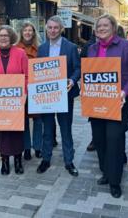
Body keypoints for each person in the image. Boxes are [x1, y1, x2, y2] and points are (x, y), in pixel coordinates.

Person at [87, 14, 128, 198]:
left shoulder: (127, 46)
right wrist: (84, 88)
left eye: (105, 25)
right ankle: (106, 171)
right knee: (99, 139)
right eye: (99, 25)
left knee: (114, 139)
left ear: (113, 27)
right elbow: (90, 74)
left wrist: (124, 92)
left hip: (118, 102)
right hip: (96, 102)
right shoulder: (92, 48)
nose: (102, 28)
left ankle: (115, 180)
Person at [36, 15, 80, 177]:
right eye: (50, 28)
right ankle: (46, 159)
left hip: (65, 95)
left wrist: (72, 80)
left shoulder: (71, 47)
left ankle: (69, 161)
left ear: (61, 29)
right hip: (46, 96)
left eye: (56, 28)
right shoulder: (41, 48)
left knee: (66, 129)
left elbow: (78, 68)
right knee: (47, 129)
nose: (52, 31)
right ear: (46, 29)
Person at [0, 25, 28, 175]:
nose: (3, 38)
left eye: (6, 35)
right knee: (3, 131)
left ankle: (18, 160)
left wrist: (25, 93)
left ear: (11, 38)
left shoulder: (20, 53)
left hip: (17, 99)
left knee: (16, 131)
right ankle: (5, 161)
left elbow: (27, 76)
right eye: (1, 35)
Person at [16, 22, 43, 160]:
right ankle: (26, 148)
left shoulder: (40, 48)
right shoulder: (15, 49)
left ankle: (38, 147)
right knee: (24, 120)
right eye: (25, 30)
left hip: (37, 88)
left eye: (30, 30)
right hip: (21, 88)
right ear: (21, 32)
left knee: (38, 120)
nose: (27, 33)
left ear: (33, 33)